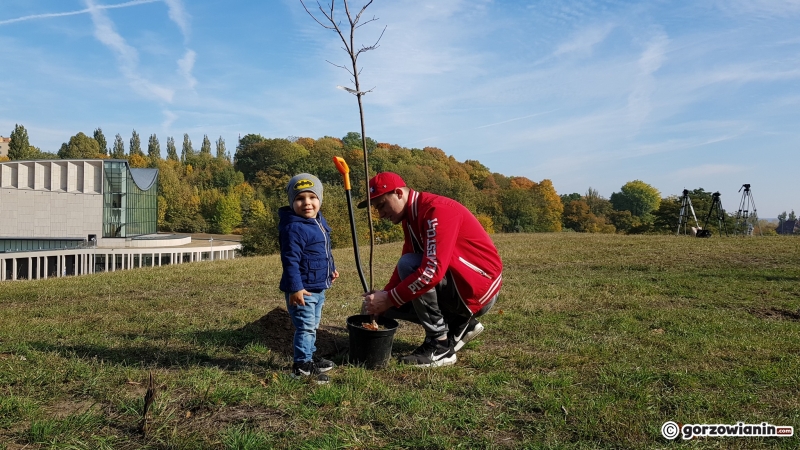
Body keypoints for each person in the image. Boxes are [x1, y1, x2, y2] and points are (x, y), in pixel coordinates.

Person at [360, 172, 503, 367]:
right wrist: (384, 296)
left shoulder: (436, 211)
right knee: (380, 306)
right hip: (458, 285)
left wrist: (390, 298)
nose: (380, 214)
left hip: (476, 290)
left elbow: (431, 271)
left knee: (409, 270)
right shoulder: (412, 215)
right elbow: (407, 257)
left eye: (382, 205)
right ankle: (459, 323)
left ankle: (440, 345)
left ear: (399, 193)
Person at [279, 173, 339, 383]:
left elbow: (323, 251)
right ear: (292, 202)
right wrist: (295, 288)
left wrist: (332, 268)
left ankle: (310, 356)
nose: (307, 203)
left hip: (318, 286)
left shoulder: (318, 222)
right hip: (303, 290)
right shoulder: (293, 228)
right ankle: (302, 366)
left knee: (312, 325)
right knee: (305, 327)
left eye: (312, 197)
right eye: (300, 198)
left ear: (320, 199)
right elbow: (290, 261)